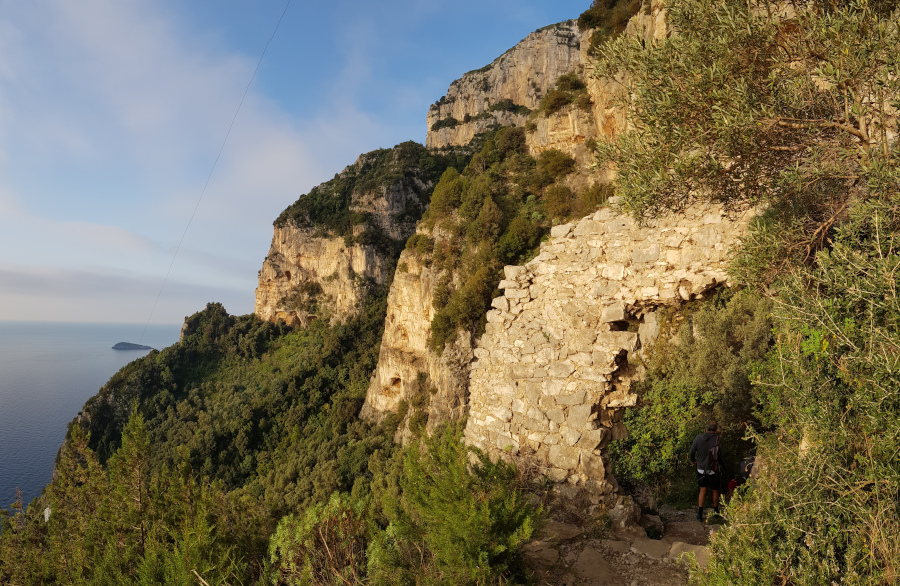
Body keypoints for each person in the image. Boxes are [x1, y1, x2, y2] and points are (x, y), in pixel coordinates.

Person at [690, 421, 724, 521]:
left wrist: (693, 461)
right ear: (716, 431)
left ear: (706, 430)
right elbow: (721, 455)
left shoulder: (697, 439)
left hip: (700, 468)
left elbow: (691, 452)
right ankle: (716, 512)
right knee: (715, 490)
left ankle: (700, 514)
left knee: (703, 490)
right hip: (713, 469)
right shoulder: (717, 440)